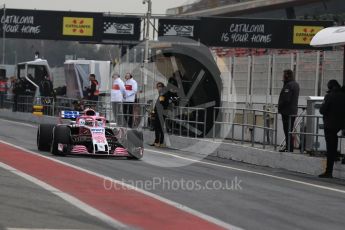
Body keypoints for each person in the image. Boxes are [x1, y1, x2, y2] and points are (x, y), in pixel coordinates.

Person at [318, 80, 345, 178]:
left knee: (330, 148)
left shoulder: (329, 96)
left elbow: (322, 110)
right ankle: (338, 156)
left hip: (330, 125)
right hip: (342, 124)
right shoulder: (343, 95)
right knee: (337, 144)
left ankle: (329, 171)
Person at [278, 69, 300, 152]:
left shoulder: (289, 85)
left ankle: (289, 147)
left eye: (283, 75)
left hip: (287, 111)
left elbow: (286, 99)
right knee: (289, 130)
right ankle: (289, 147)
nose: (282, 77)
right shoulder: (295, 84)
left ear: (287, 75)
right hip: (293, 111)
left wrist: (280, 106)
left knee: (287, 130)